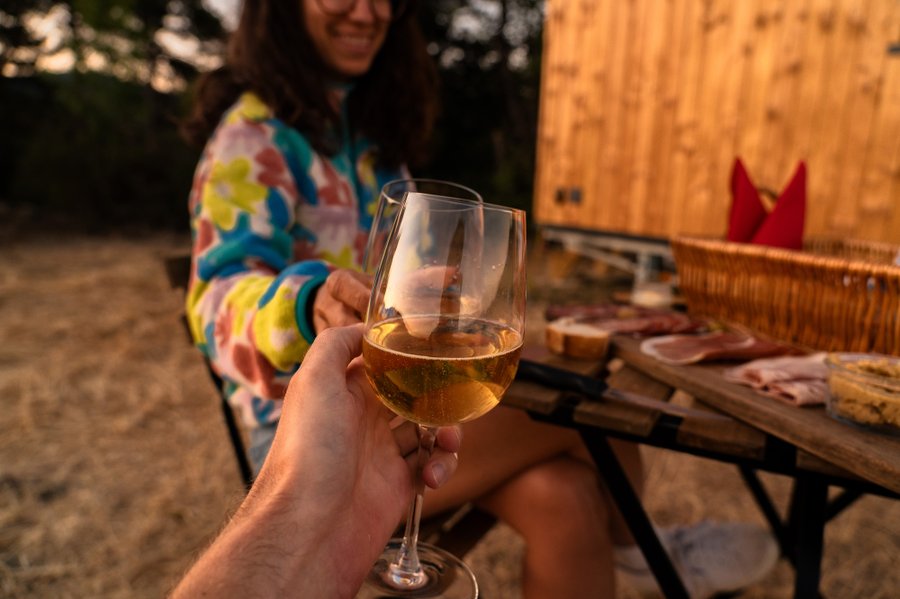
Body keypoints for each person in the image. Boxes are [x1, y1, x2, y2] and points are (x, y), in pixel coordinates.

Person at [180, 0, 778, 597]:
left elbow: (406, 291)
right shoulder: (252, 140)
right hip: (302, 437)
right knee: (590, 406)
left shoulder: (374, 144)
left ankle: (640, 552)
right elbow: (216, 304)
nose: (367, 12)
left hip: (395, 404)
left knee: (563, 496)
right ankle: (648, 554)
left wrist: (449, 305)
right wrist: (307, 305)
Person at [169, 324, 462, 598]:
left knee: (491, 437)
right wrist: (306, 301)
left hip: (382, 421)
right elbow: (217, 317)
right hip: (282, 426)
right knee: (507, 438)